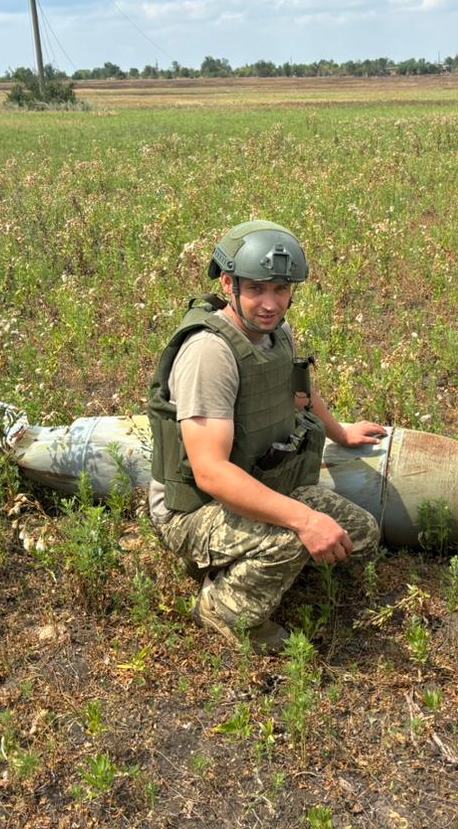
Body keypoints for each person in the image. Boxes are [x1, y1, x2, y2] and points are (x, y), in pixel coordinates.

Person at [147, 221, 387, 653]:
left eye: (281, 289)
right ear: (228, 283)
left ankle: (242, 561)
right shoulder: (210, 354)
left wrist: (340, 432)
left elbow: (298, 391)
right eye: (257, 289)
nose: (271, 304)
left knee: (361, 534)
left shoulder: (276, 333)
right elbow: (211, 473)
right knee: (295, 536)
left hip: (258, 481)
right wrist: (305, 521)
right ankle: (221, 608)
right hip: (193, 511)